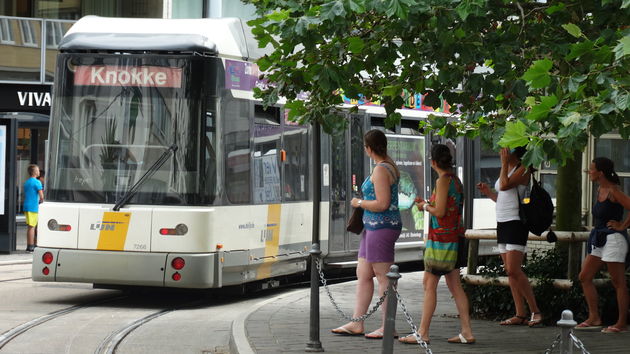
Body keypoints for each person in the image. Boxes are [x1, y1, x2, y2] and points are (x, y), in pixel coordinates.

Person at [399, 144, 475, 345]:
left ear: (433, 162)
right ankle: (466, 331)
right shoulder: (456, 181)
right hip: (455, 238)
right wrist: (428, 205)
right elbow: (447, 209)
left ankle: (423, 332)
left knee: (429, 285)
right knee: (455, 286)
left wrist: (424, 206)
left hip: (441, 241)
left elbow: (440, 212)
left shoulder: (442, 181)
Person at [331, 129, 402, 339]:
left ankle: (387, 326)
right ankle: (357, 322)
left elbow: (382, 203)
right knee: (363, 274)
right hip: (372, 227)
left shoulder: (381, 170)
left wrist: (358, 202)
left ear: (369, 148)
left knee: (383, 277)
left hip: (381, 227)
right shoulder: (388, 165)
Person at [476, 147, 542, 327]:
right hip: (502, 221)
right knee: (509, 271)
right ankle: (520, 313)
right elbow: (503, 195)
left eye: (506, 150)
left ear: (514, 153)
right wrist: (489, 192)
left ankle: (535, 311)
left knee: (514, 269)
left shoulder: (524, 168)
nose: (501, 152)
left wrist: (504, 164)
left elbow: (505, 184)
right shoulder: (507, 168)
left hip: (515, 222)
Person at [577, 157, 629, 333]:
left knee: (618, 281)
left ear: (600, 173)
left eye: (591, 169)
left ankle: (621, 324)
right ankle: (594, 317)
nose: (588, 172)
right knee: (585, 276)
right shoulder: (600, 188)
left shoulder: (614, 191)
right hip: (599, 239)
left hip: (614, 239)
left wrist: (622, 225)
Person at [23, 164, 44, 252]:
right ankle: (31, 246)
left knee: (29, 227)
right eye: (38, 170)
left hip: (26, 206)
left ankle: (30, 245)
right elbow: (41, 196)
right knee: (32, 227)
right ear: (35, 172)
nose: (39, 171)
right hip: (33, 207)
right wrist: (42, 201)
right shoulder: (37, 182)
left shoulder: (27, 182)